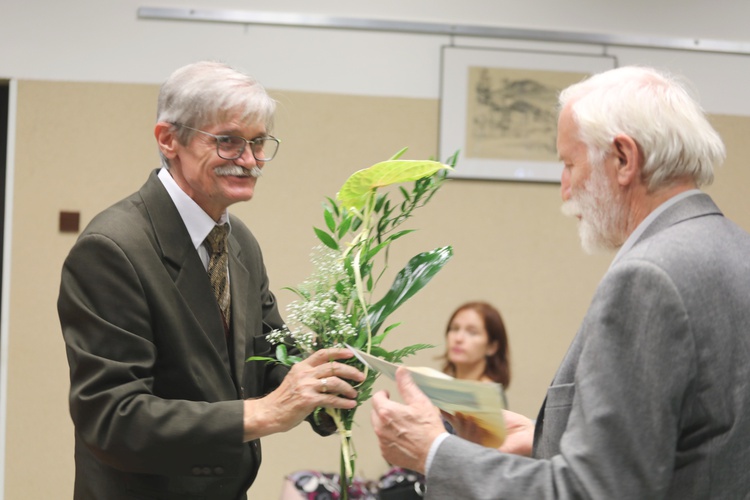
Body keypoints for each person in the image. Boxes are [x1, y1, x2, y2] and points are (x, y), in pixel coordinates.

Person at [370, 65, 750, 498]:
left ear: (624, 159)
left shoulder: (648, 277)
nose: (565, 189)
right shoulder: (738, 250)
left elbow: (593, 492)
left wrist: (434, 452)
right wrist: (547, 440)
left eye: (569, 164)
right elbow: (693, 438)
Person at [57, 61, 364, 500]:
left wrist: (327, 384)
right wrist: (261, 414)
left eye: (258, 143)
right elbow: (113, 418)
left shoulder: (239, 241)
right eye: (228, 142)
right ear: (168, 139)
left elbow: (267, 357)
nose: (250, 160)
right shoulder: (112, 248)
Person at [441, 301, 510, 387]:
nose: (458, 338)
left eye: (472, 332)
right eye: (455, 329)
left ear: (492, 347)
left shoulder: (488, 395)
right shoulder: (443, 386)